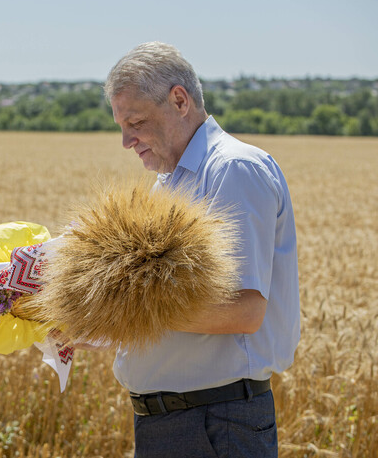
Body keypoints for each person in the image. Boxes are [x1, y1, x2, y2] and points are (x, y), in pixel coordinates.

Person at [104, 42, 300, 457]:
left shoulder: (232, 169)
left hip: (217, 423)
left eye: (135, 121)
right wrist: (99, 324)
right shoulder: (168, 185)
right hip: (176, 422)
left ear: (179, 100)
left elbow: (243, 310)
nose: (126, 140)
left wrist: (117, 314)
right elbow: (163, 308)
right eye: (121, 125)